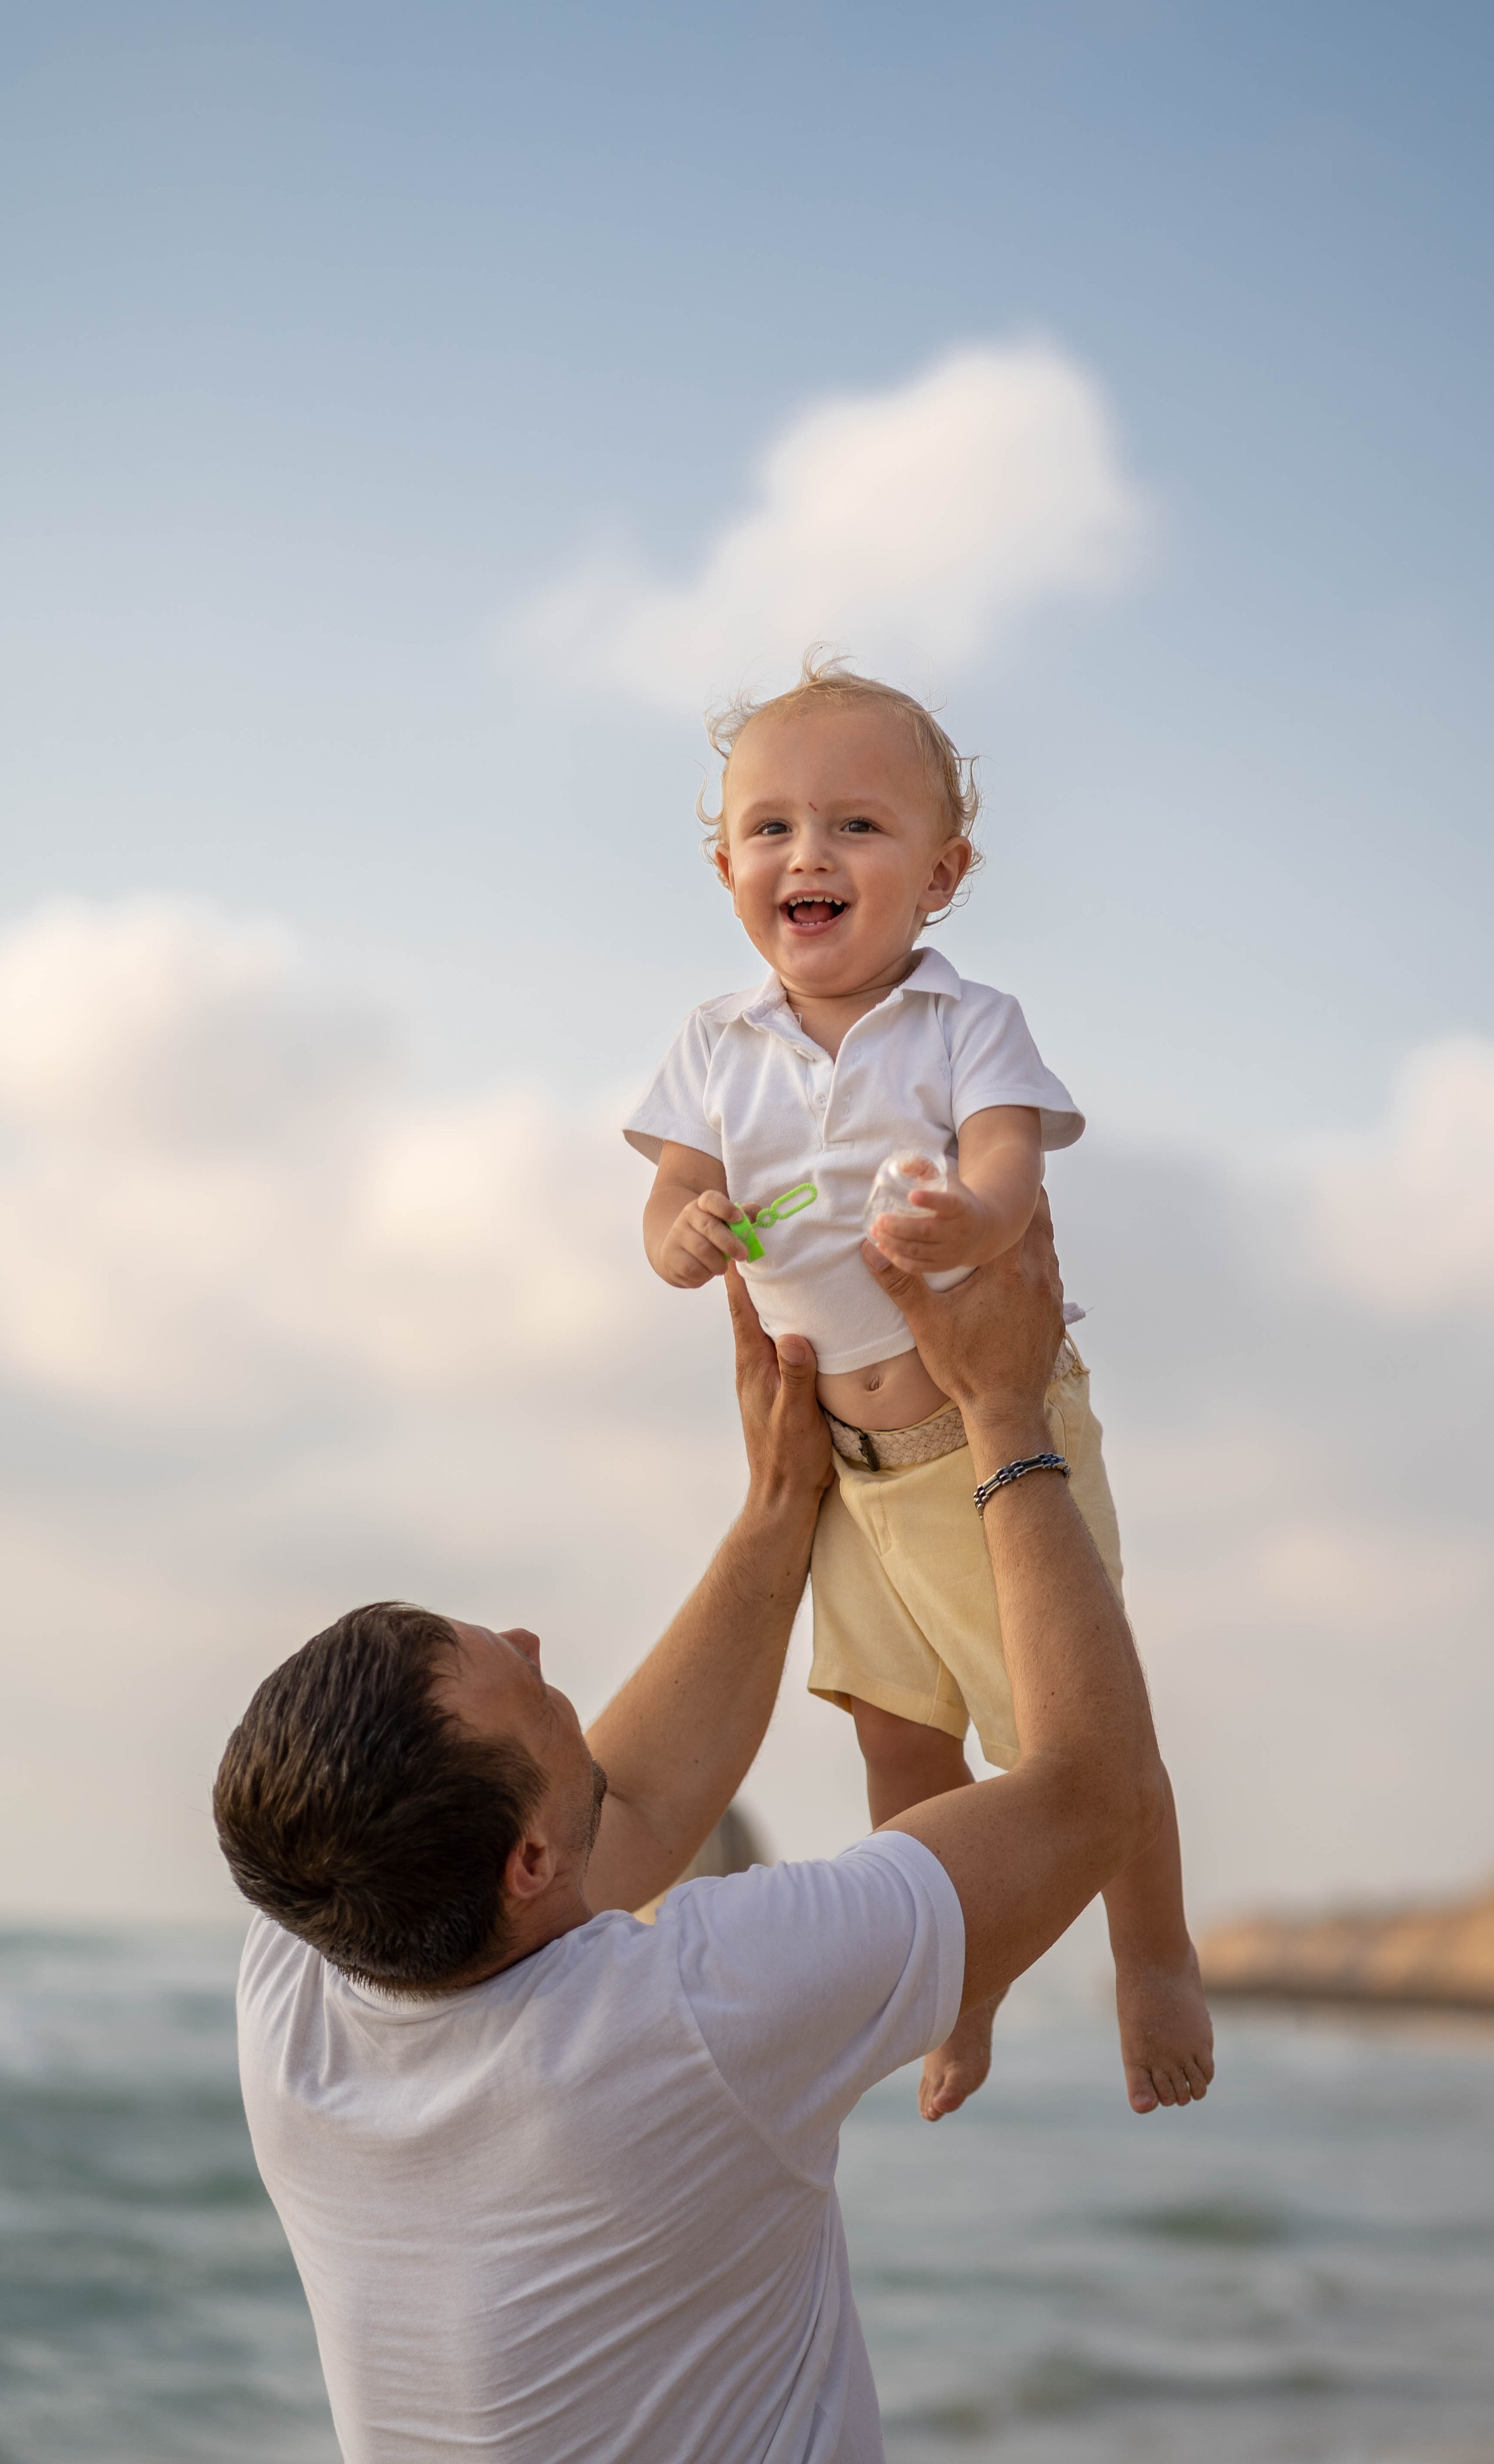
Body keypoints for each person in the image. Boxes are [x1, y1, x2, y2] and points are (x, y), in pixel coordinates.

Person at [216, 1214, 1190, 2464]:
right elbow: (1090, 1794)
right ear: (525, 1867)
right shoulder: (686, 2018)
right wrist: (1004, 1414)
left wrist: (783, 1502)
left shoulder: (301, 1969)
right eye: (520, 1684)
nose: (528, 1644)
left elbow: (632, 1811)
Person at [626, 653, 1212, 2117]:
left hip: (978, 1426)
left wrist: (973, 1217)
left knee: (1077, 1726)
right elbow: (670, 1215)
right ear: (724, 870)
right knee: (898, 1735)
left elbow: (1010, 1164)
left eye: (855, 828)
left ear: (940, 874)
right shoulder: (713, 1045)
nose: (805, 855)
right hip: (839, 1458)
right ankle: (957, 1985)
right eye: (769, 829)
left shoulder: (964, 1023)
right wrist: (684, 1235)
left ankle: (1153, 1958)